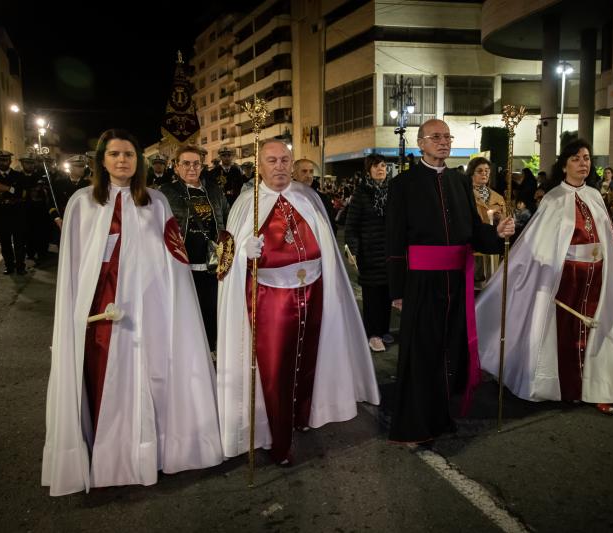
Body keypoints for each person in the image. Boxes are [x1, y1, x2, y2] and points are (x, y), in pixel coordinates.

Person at [42, 129, 223, 496]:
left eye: (128, 154)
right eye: (114, 154)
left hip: (150, 308)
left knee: (153, 376)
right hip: (102, 313)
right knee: (103, 375)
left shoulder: (155, 202)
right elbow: (78, 266)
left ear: (139, 160)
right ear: (102, 160)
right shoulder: (82, 203)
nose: (122, 160)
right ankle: (108, 457)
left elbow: (174, 257)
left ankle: (151, 452)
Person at [215, 140, 379, 465]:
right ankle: (279, 438)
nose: (279, 166)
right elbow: (226, 260)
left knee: (307, 360)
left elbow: (328, 245)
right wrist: (244, 253)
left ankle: (302, 414)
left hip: (314, 290)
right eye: (271, 160)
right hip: (270, 297)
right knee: (276, 369)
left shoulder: (308, 197)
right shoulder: (248, 204)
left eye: (284, 160)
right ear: (259, 167)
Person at [475, 139, 613, 416]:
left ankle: (599, 388)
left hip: (597, 275)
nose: (583, 163)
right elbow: (538, 243)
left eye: (586, 158)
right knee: (564, 333)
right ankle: (565, 387)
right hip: (566, 277)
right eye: (575, 158)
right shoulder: (553, 199)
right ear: (564, 165)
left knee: (597, 332)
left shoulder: (596, 196)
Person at [386, 119, 515, 444]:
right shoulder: (404, 184)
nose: (443, 142)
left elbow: (472, 230)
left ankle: (442, 416)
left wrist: (496, 233)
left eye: (447, 137)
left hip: (456, 281)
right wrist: (398, 290)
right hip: (422, 281)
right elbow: (394, 240)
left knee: (449, 351)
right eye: (436, 137)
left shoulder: (460, 182)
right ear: (421, 143)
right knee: (422, 353)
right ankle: (416, 423)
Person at [160, 144, 230, 352]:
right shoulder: (166, 193)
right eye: (186, 163)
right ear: (176, 167)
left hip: (211, 266)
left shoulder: (215, 191)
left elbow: (227, 220)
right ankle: (186, 356)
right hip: (181, 268)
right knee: (184, 315)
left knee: (211, 312)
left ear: (202, 166)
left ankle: (210, 353)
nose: (192, 168)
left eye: (196, 164)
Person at [344, 154, 393, 352]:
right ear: (368, 170)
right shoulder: (361, 193)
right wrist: (353, 250)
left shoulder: (393, 191)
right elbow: (351, 226)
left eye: (383, 166)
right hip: (370, 253)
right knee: (372, 295)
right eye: (375, 166)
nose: (380, 169)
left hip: (389, 252)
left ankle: (383, 329)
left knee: (388, 293)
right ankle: (373, 334)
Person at [0, 150, 27, 275]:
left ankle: (20, 267)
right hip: (1, 214)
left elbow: (23, 193)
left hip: (16, 213)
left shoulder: (18, 176)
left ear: (10, 161)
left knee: (19, 243)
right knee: (5, 244)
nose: (1, 163)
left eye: (4, 160)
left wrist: (7, 188)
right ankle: (9, 266)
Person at [466, 157, 505, 287]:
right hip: (473, 243)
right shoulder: (465, 194)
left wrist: (499, 218)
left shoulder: (497, 197)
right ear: (472, 173)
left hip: (493, 243)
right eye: (480, 171)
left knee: (492, 282)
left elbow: (505, 218)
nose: (484, 174)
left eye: (487, 171)